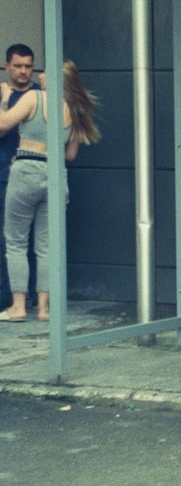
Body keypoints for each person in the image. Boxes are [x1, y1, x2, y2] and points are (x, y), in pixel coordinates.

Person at [0, 59, 100, 322]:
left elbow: (2, 125)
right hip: (55, 173)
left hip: (27, 169)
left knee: (16, 241)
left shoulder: (34, 98)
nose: (39, 75)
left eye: (44, 72)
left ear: (54, 78)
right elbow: (70, 154)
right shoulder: (77, 111)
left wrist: (4, 99)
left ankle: (18, 307)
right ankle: (44, 309)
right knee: (46, 246)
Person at [0, 45, 42, 311]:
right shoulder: (3, 95)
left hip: (31, 175)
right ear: (7, 67)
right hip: (4, 174)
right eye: (18, 66)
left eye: (28, 66)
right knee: (8, 239)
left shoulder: (41, 96)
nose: (24, 71)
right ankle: (9, 297)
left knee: (33, 241)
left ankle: (24, 299)